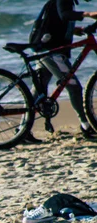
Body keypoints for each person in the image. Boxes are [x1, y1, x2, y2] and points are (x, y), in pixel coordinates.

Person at [26, 0, 97, 143]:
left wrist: (75, 29)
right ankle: (86, 126)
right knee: (74, 87)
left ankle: (23, 130)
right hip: (52, 52)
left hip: (44, 48)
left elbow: (58, 20)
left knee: (39, 89)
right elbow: (65, 15)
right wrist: (88, 14)